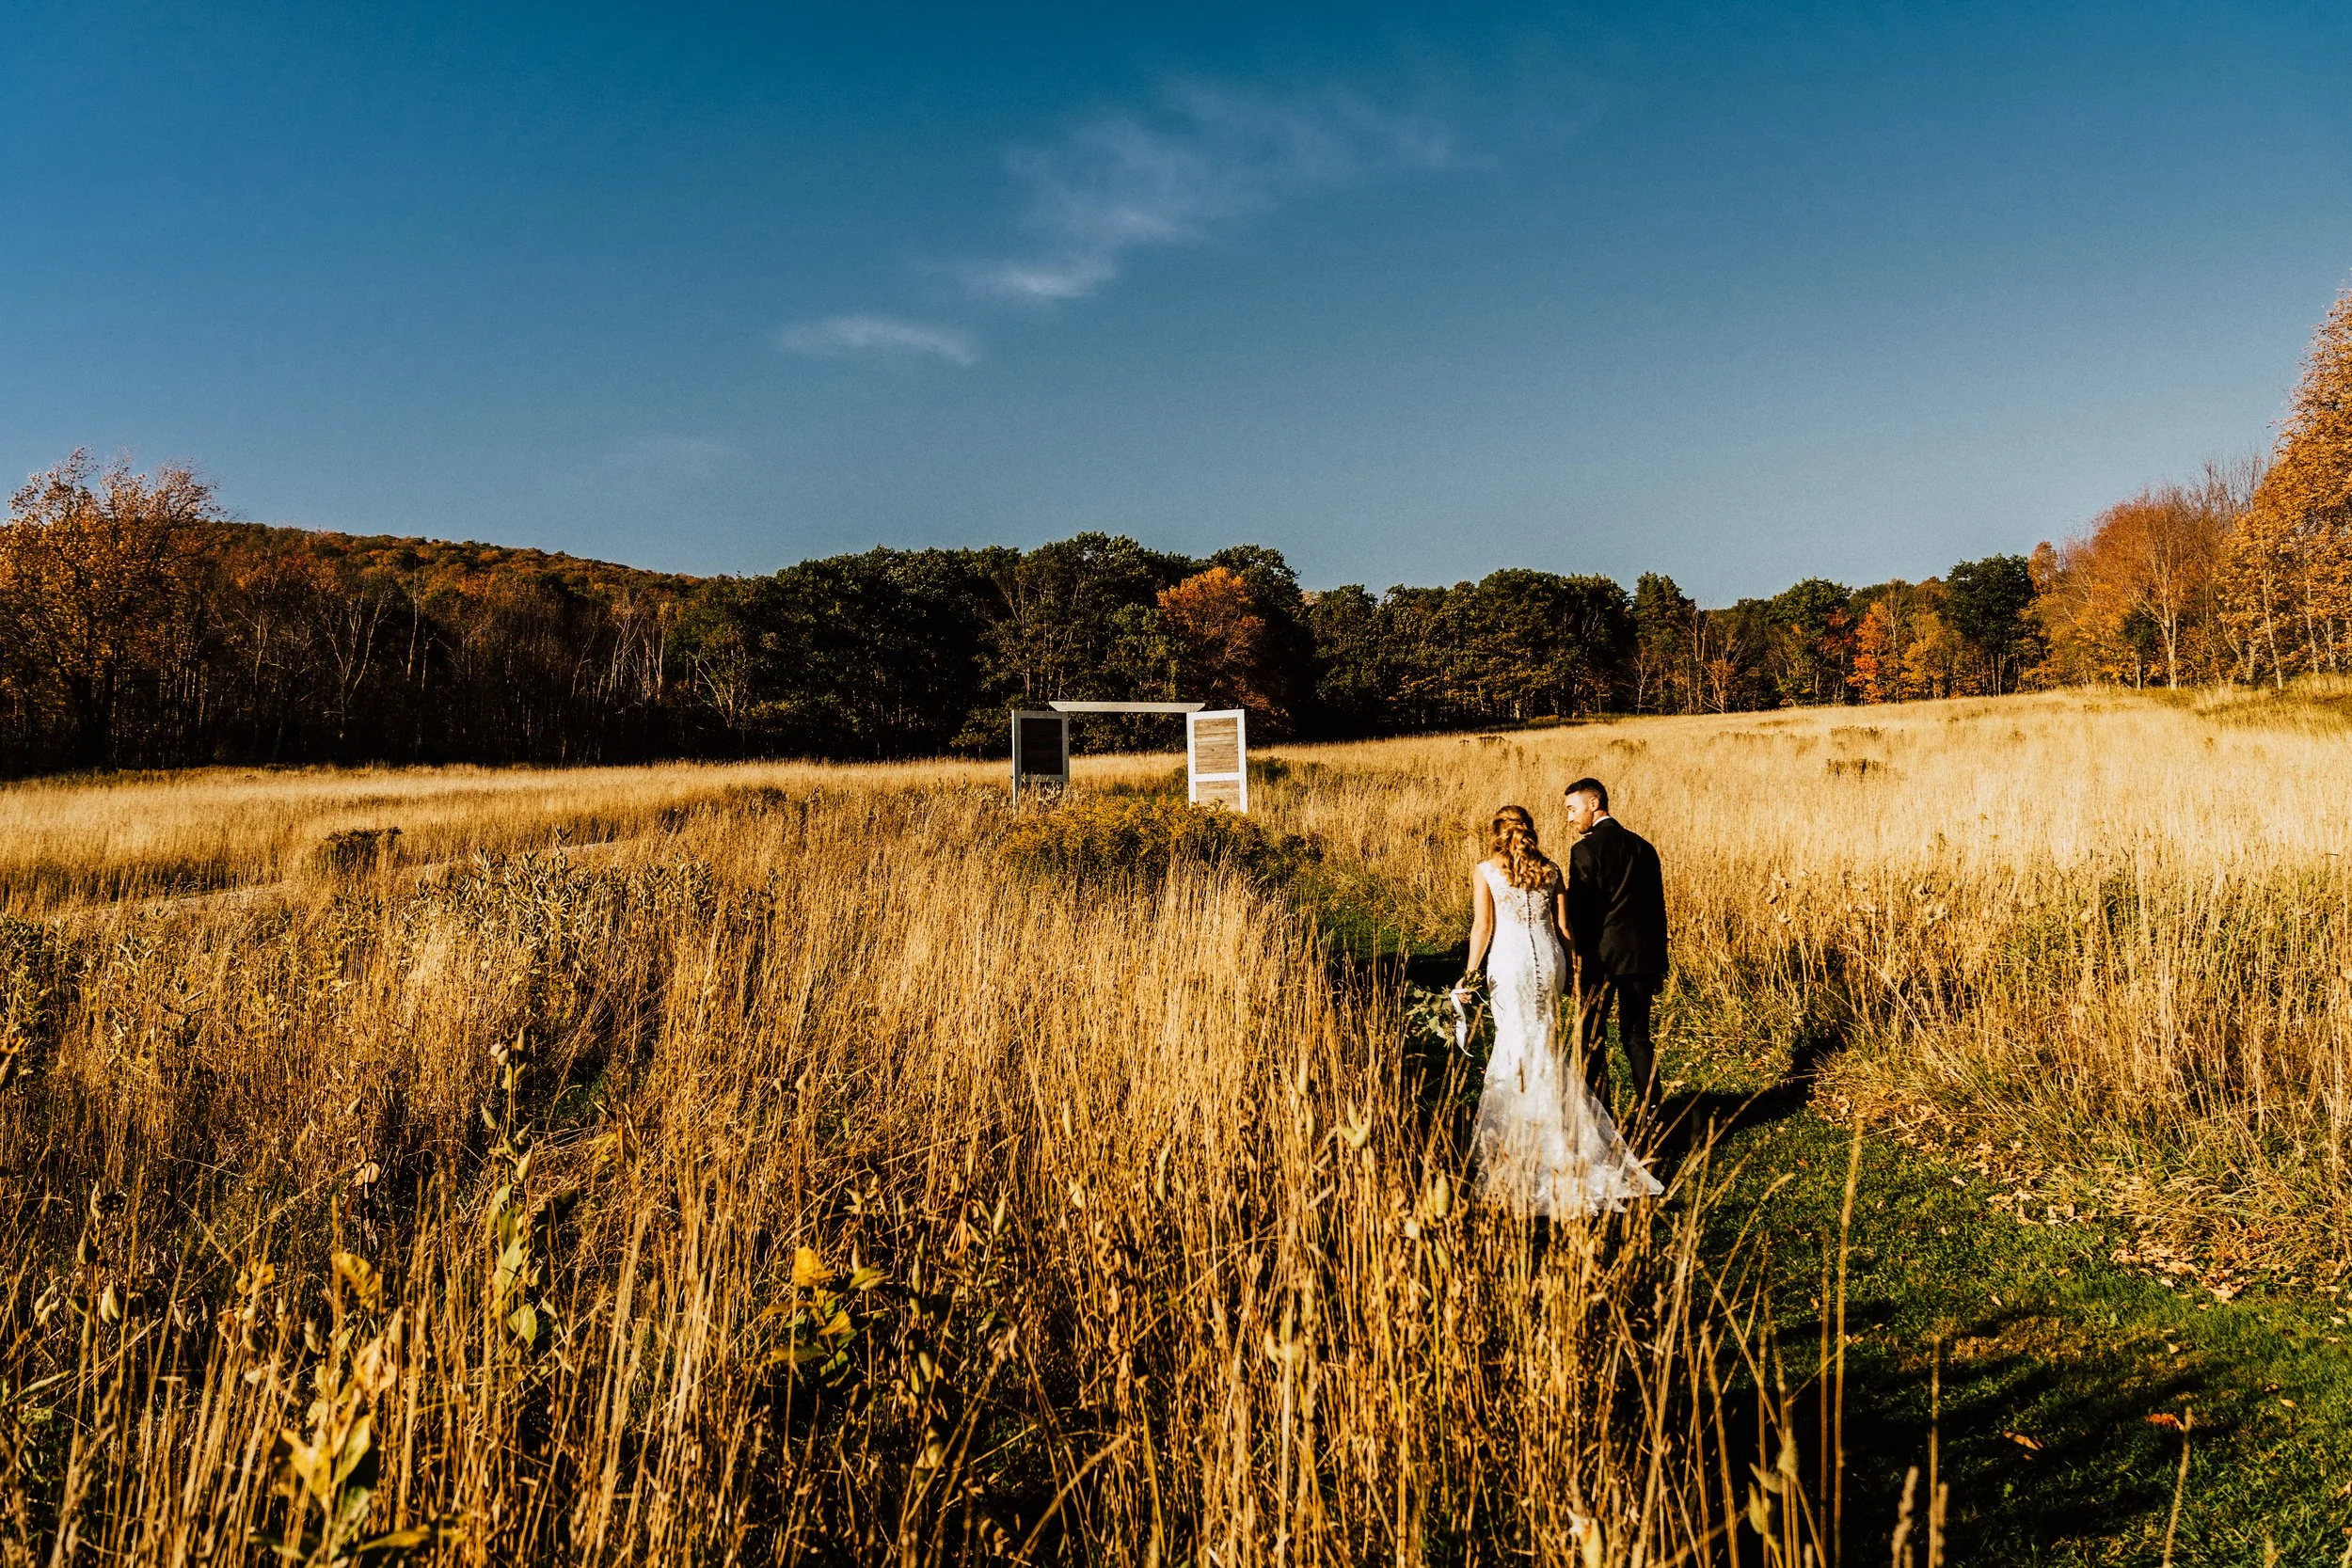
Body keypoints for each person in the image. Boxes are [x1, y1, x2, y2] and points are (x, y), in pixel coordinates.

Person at [1454, 805, 1661, 1216]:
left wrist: (1470, 975)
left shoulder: (1486, 870)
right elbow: (1565, 930)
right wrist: (1572, 971)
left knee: (1515, 1044)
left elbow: (1483, 928)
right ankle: (1564, 1137)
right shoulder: (1550, 871)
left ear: (1496, 834)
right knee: (1544, 1045)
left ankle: (1527, 1141)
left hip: (1510, 963)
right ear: (1528, 831)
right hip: (1549, 962)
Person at [1561, 777, 1669, 1119]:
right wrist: (1659, 961)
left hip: (1600, 957)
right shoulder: (1643, 846)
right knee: (1637, 1035)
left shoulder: (1586, 850)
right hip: (1642, 956)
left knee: (1591, 1034)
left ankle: (1600, 1115)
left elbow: (1580, 912)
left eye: (1571, 808)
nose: (1568, 818)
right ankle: (1654, 1109)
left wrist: (1574, 960)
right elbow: (1657, 908)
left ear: (1594, 803)